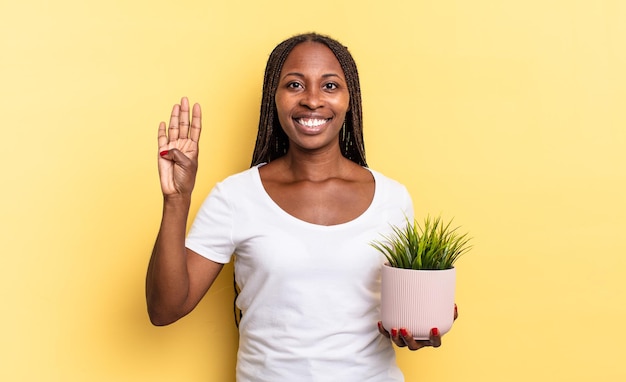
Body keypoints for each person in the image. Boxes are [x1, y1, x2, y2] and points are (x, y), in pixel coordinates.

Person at [146, 32, 457, 381]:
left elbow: (395, 310)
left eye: (329, 86)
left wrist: (412, 328)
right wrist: (177, 200)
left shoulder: (392, 198)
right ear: (273, 99)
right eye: (294, 85)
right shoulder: (235, 197)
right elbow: (164, 309)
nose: (312, 100)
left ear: (349, 99)